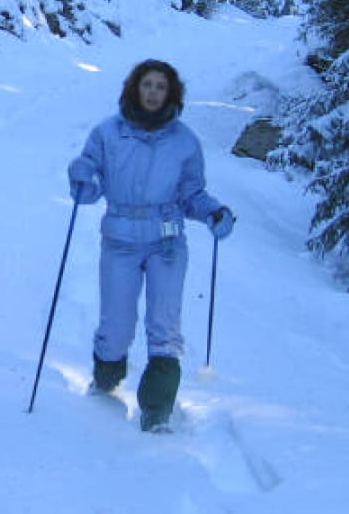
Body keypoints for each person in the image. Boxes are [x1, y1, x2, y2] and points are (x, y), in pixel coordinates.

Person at [67, 59, 234, 432]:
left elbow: (192, 193)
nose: (154, 93)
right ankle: (107, 376)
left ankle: (157, 408)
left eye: (161, 86)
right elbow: (89, 187)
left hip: (167, 243)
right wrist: (81, 176)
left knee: (164, 325)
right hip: (120, 241)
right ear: (134, 88)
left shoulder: (184, 141)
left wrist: (214, 213)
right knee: (118, 323)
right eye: (147, 85)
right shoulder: (108, 133)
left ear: (171, 93)